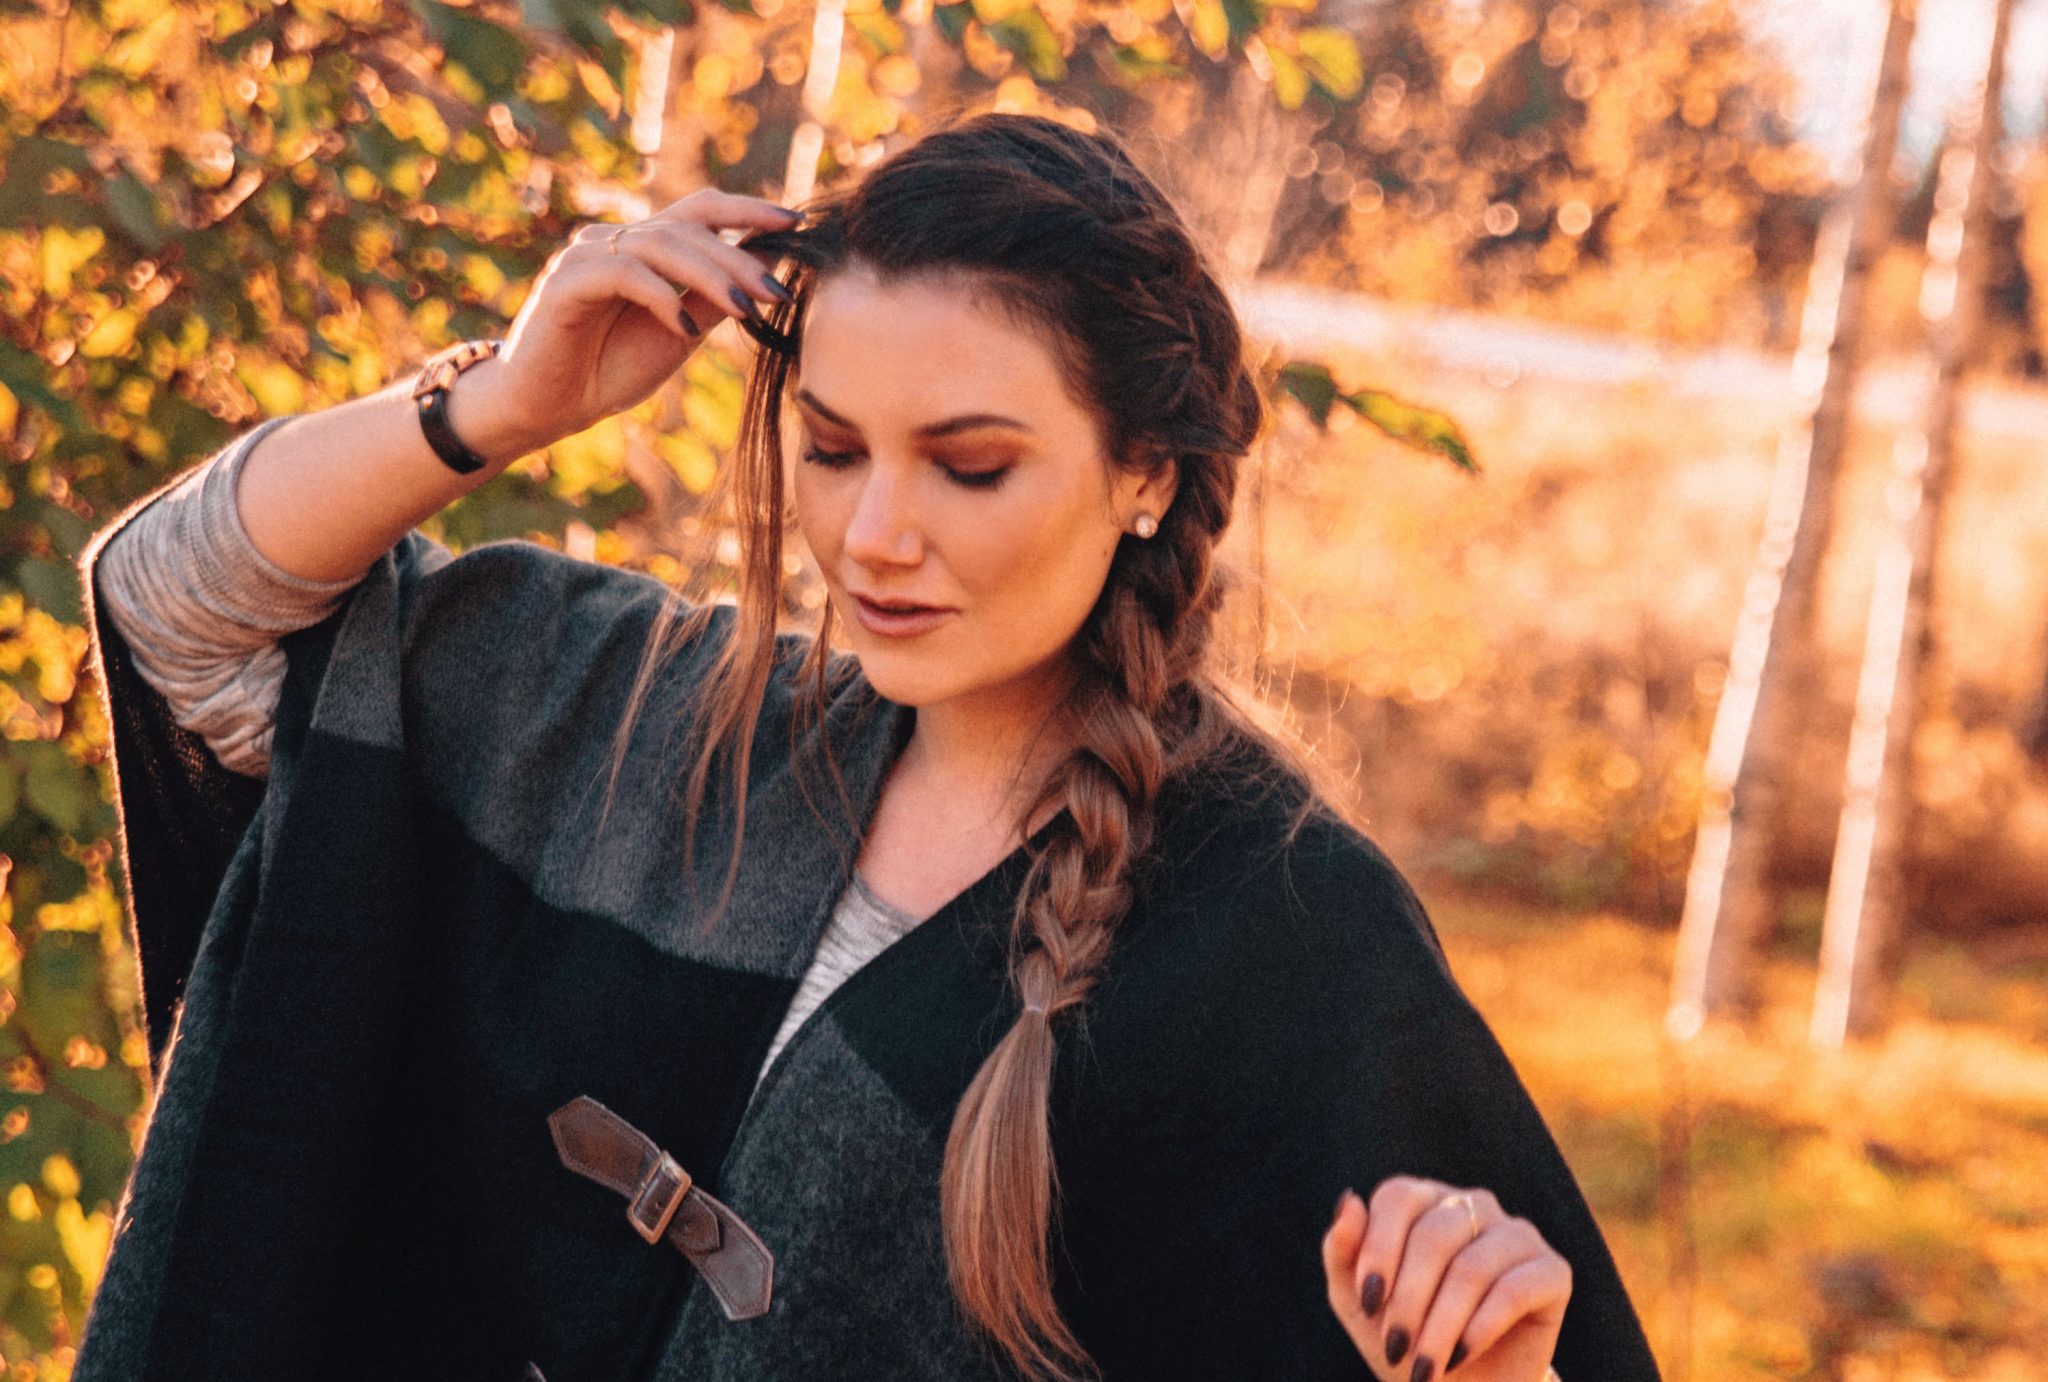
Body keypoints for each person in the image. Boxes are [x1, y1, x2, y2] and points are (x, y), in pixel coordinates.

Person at [74, 112, 1661, 1382]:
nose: (877, 536)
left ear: (1148, 477)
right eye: (830, 449)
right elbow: (177, 608)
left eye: (970, 467)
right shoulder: (638, 720)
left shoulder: (1284, 936)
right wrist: (495, 401)